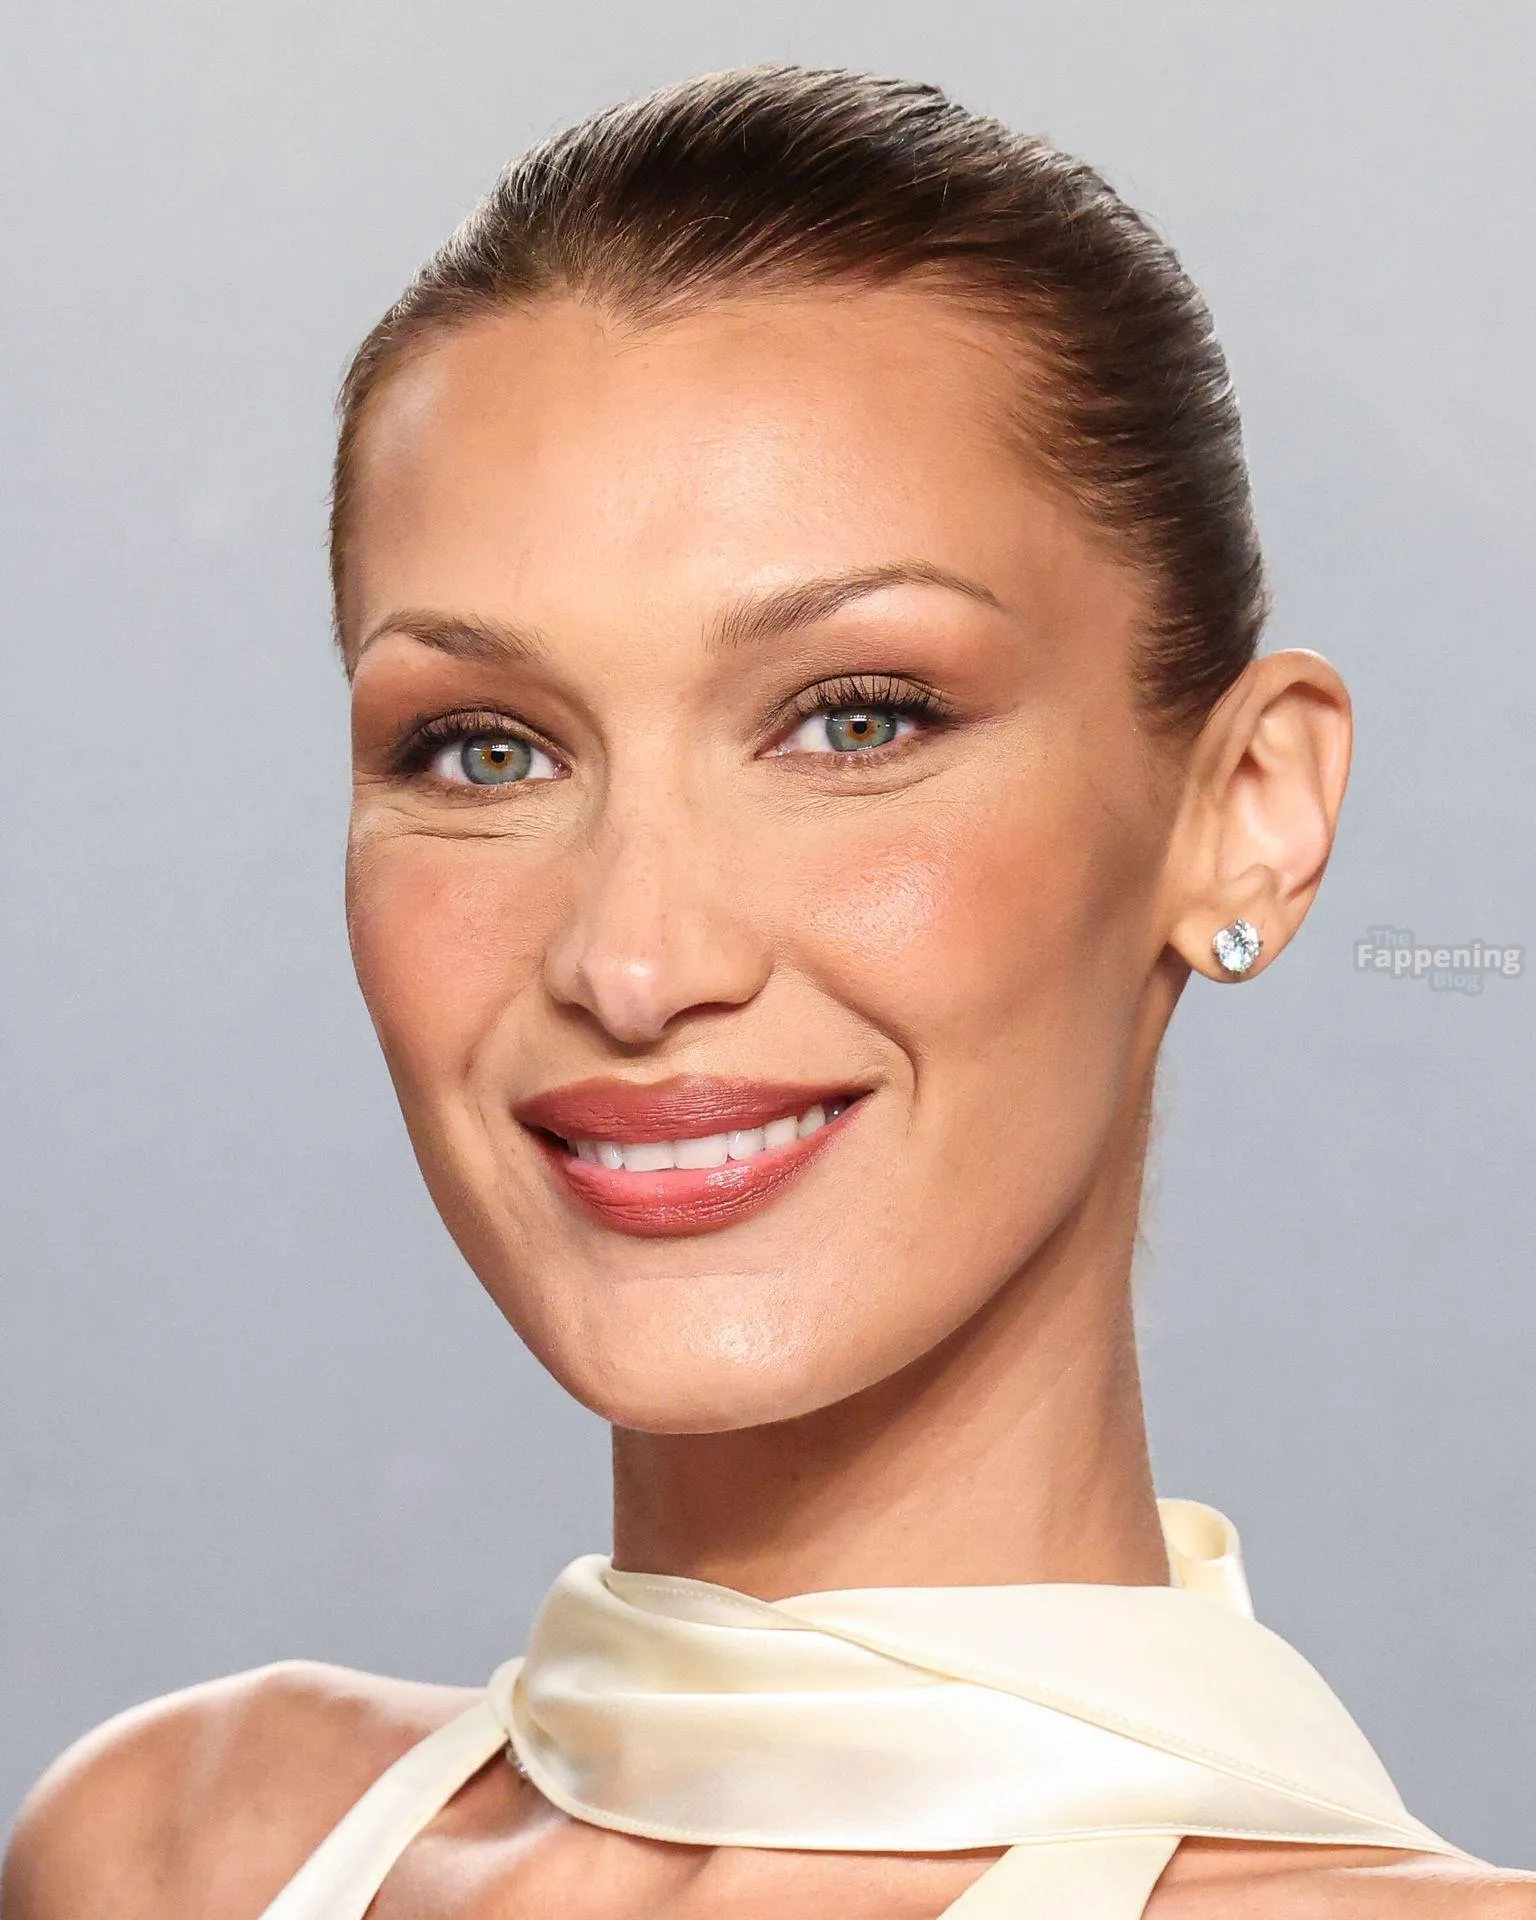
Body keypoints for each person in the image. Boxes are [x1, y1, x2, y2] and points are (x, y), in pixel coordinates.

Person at [3, 62, 1530, 1920]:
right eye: (485, 751)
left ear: (1247, 814)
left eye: (854, 722)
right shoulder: (166, 1854)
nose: (634, 965)